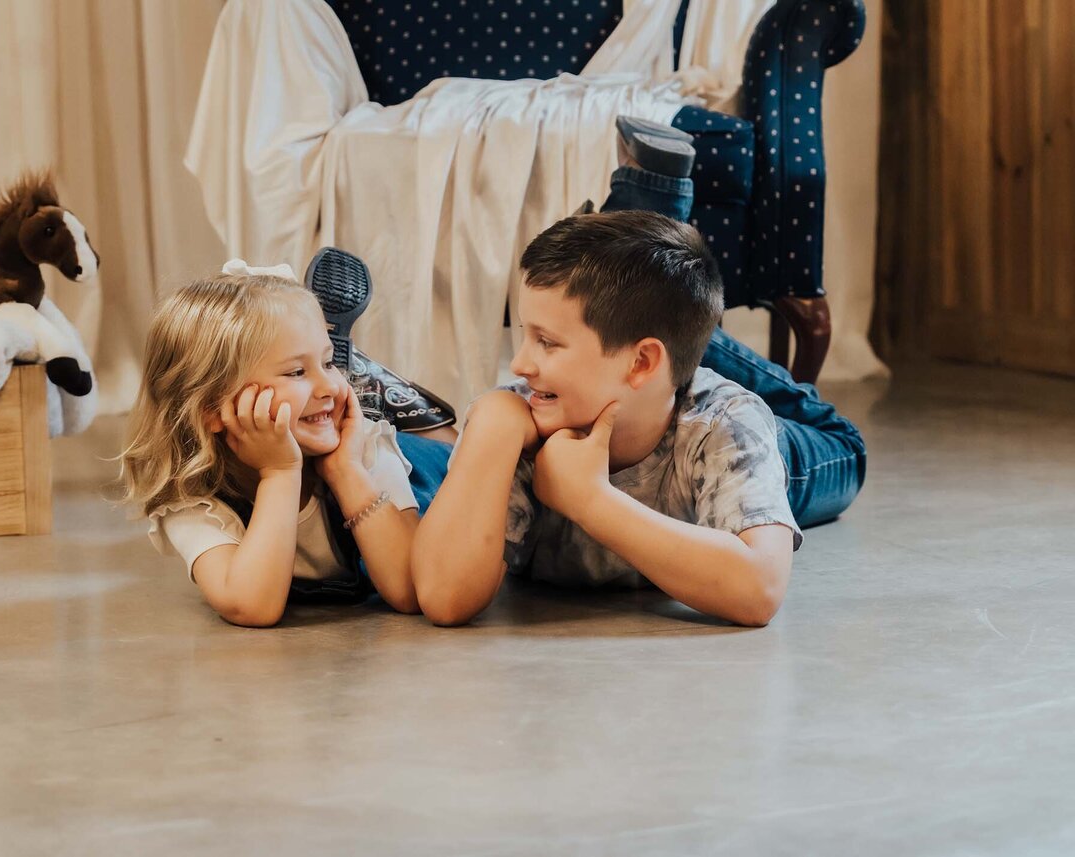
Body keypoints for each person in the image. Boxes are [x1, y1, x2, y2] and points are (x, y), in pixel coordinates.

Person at [408, 116, 866, 628]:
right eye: (525, 336)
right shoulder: (520, 422)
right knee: (655, 318)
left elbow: (759, 588)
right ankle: (660, 246)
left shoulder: (724, 426)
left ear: (641, 362)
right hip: (650, 373)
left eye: (547, 342)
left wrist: (591, 500)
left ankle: (672, 289)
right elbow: (444, 597)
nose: (519, 364)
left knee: (846, 445)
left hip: (782, 448)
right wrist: (491, 426)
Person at [121, 263, 440, 627]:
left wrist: (346, 471)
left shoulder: (362, 445)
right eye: (296, 372)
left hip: (439, 475)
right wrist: (279, 473)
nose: (330, 387)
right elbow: (251, 605)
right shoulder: (193, 496)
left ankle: (394, 395)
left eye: (329, 362)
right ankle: (366, 377)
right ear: (212, 408)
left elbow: (411, 590)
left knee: (454, 447)